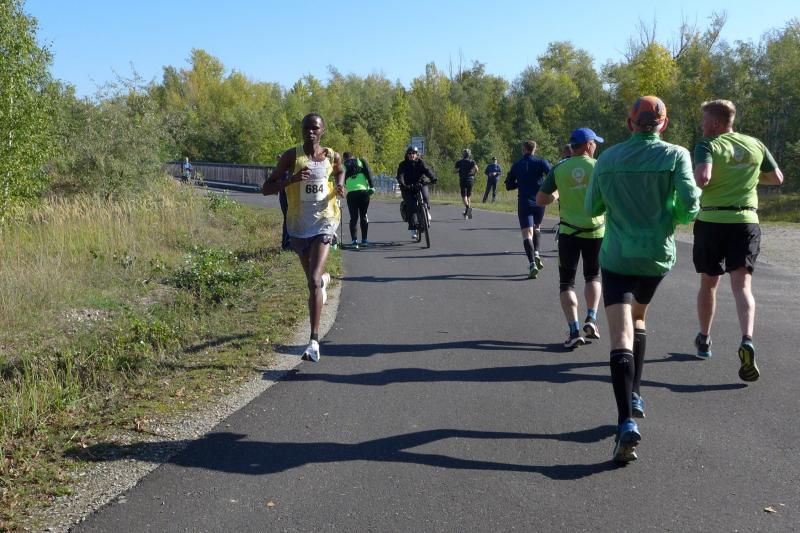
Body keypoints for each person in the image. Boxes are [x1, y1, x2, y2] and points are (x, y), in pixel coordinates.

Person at [586, 96, 700, 463]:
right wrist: (668, 217)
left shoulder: (608, 158)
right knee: (639, 317)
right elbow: (689, 205)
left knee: (620, 332)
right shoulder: (676, 155)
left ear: (629, 123)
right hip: (656, 257)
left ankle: (625, 422)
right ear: (663, 123)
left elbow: (592, 208)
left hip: (617, 256)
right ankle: (635, 393)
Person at [692, 99, 784, 380]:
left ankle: (704, 339)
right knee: (742, 286)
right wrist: (749, 176)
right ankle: (747, 339)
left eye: (704, 120)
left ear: (715, 123)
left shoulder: (707, 145)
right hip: (746, 221)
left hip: (712, 221)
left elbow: (703, 178)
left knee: (709, 282)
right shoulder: (756, 144)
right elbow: (777, 178)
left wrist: (698, 177)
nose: (702, 125)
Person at [262, 113, 345, 362]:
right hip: (298, 225)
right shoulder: (291, 156)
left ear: (322, 131)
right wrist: (292, 179)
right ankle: (323, 282)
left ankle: (313, 342)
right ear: (301, 130)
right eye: (306, 128)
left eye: (315, 128)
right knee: (313, 282)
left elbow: (340, 170)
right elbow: (266, 188)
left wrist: (341, 185)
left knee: (313, 278)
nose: (310, 132)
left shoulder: (331, 155)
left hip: (325, 220)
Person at [537, 128, 605, 349]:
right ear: (587, 145)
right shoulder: (599, 166)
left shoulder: (559, 168)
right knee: (593, 276)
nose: (596, 146)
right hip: (596, 232)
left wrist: (557, 194)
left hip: (569, 233)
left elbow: (540, 199)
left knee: (567, 283)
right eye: (595, 142)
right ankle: (591, 318)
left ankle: (574, 331)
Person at [506, 140, 552, 279]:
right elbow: (552, 176)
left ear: (523, 149)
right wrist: (543, 185)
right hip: (539, 201)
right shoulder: (541, 162)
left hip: (524, 202)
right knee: (537, 227)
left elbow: (508, 185)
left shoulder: (517, 165)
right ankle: (537, 253)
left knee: (527, 234)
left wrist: (519, 183)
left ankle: (532, 264)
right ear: (534, 149)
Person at [397, 146, 437, 240]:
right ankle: (413, 229)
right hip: (408, 187)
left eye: (413, 153)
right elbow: (400, 175)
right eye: (410, 153)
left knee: (425, 197)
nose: (412, 155)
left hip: (420, 184)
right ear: (407, 155)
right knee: (411, 206)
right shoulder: (403, 164)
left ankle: (426, 211)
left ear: (416, 154)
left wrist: (433, 178)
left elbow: (427, 170)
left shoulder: (420, 162)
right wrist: (402, 184)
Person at [343, 151, 376, 249]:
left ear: (344, 158)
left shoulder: (343, 166)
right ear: (353, 156)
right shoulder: (361, 161)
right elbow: (368, 173)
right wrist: (372, 186)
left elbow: (341, 180)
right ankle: (364, 241)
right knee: (363, 215)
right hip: (363, 192)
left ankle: (354, 242)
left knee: (353, 218)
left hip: (351, 194)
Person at [455, 149, 478, 218]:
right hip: (470, 180)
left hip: (463, 179)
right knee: (468, 196)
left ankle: (467, 208)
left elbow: (454, 171)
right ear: (469, 155)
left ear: (463, 154)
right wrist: (473, 174)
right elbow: (476, 169)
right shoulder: (472, 161)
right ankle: (468, 214)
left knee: (464, 196)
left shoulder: (459, 162)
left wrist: (458, 170)